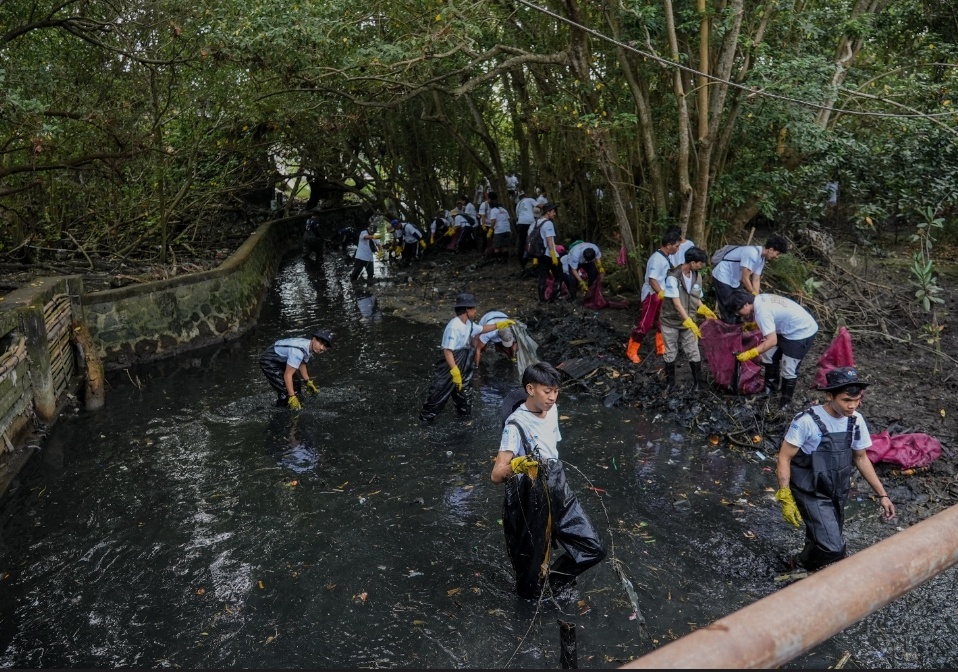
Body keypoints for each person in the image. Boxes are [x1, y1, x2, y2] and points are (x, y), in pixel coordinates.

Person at [491, 362, 606, 599]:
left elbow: (552, 448)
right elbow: (496, 474)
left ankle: (553, 581)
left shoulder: (552, 410)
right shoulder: (515, 425)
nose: (553, 397)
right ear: (530, 389)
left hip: (558, 485)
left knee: (593, 549)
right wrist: (519, 464)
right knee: (530, 568)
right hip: (531, 493)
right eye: (547, 391)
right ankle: (531, 596)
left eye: (556, 391)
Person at [775, 366, 895, 572]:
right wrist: (785, 494)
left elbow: (861, 457)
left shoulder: (856, 421)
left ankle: (809, 572)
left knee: (826, 540)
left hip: (837, 489)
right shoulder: (806, 421)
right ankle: (798, 563)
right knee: (833, 548)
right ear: (830, 396)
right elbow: (785, 457)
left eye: (857, 400)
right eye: (846, 401)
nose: (852, 406)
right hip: (810, 490)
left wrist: (882, 495)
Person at [419, 293, 515, 425]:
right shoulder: (454, 326)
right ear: (466, 310)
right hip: (450, 364)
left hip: (464, 361)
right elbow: (447, 351)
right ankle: (425, 420)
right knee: (439, 393)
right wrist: (454, 371)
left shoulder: (468, 324)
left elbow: (482, 329)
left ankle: (464, 420)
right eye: (473, 308)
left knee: (464, 394)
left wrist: (499, 325)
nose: (475, 311)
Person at [731, 291, 819, 406]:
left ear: (746, 304)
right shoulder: (759, 299)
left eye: (738, 311)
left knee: (789, 368)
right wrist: (756, 325)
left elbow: (772, 341)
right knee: (769, 355)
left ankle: (785, 403)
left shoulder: (762, 312)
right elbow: (774, 317)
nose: (739, 314)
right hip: (787, 328)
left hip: (801, 332)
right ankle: (770, 390)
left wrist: (750, 353)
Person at [658, 246, 715, 391]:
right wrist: (688, 321)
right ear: (692, 262)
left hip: (689, 322)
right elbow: (676, 303)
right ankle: (670, 384)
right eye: (700, 263)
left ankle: (698, 384)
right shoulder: (673, 277)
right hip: (671, 320)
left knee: (693, 350)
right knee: (671, 351)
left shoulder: (697, 276)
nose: (701, 266)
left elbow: (697, 296)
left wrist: (703, 308)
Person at [625, 229, 681, 364]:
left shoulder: (666, 257)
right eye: (676, 246)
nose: (678, 249)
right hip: (652, 294)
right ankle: (632, 350)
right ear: (668, 245)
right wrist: (660, 293)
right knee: (646, 323)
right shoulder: (657, 259)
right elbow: (652, 280)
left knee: (662, 321)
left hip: (661, 294)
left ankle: (661, 347)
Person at [711, 235, 788, 323]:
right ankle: (728, 328)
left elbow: (756, 279)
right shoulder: (752, 253)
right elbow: (745, 278)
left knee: (740, 303)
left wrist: (757, 298)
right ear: (771, 249)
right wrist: (753, 293)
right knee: (727, 305)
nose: (777, 257)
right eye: (777, 253)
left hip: (735, 280)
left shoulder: (761, 259)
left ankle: (736, 324)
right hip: (723, 276)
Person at [259, 330, 333, 409]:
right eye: (321, 343)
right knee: (285, 391)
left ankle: (298, 404)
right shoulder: (298, 352)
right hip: (269, 360)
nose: (322, 348)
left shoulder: (309, 346)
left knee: (297, 384)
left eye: (325, 346)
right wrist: (292, 396)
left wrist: (307, 381)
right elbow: (288, 375)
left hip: (281, 358)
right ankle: (281, 411)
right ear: (314, 339)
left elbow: (302, 363)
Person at [528, 201, 561, 302]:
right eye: (553, 212)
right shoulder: (548, 223)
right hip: (548, 254)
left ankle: (542, 298)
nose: (555, 214)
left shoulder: (537, 222)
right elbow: (549, 240)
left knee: (542, 276)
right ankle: (555, 296)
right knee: (559, 275)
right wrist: (553, 255)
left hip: (540, 254)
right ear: (547, 212)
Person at [485, 192, 512, 263]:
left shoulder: (493, 210)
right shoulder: (504, 210)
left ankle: (498, 259)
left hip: (499, 230)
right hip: (507, 229)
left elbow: (493, 221)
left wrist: (490, 230)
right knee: (505, 245)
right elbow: (509, 219)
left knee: (497, 246)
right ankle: (505, 259)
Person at [514, 191, 537, 269]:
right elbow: (539, 206)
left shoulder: (518, 205)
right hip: (530, 222)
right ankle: (534, 258)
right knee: (533, 239)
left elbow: (517, 216)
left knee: (522, 241)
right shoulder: (529, 200)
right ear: (525, 196)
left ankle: (521, 259)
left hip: (520, 223)